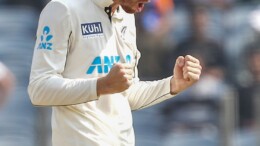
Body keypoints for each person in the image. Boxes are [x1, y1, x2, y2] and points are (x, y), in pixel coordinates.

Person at [28, 0, 202, 146]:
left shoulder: (127, 16)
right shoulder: (63, 8)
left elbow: (126, 94)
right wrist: (100, 86)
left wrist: (173, 85)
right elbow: (38, 89)